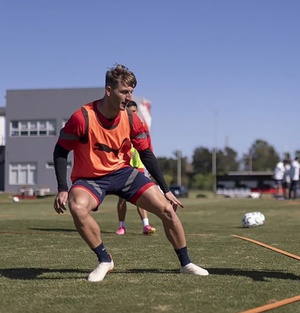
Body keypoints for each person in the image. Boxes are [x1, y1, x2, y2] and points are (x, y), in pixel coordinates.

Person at [53, 64, 209, 282]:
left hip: (123, 173)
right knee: (77, 207)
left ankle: (186, 263)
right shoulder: (82, 118)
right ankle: (105, 260)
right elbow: (60, 150)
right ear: (109, 91)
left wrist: (166, 190)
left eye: (131, 92)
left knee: (166, 209)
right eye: (124, 92)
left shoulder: (132, 119)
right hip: (90, 178)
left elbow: (146, 154)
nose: (129, 97)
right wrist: (62, 188)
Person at [115, 101, 156, 236]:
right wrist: (125, 152)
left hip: (139, 167)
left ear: (137, 112)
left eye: (134, 111)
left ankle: (146, 225)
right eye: (129, 111)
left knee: (141, 196)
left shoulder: (142, 127)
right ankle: (122, 226)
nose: (132, 114)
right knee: (122, 198)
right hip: (124, 165)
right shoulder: (120, 126)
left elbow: (147, 146)